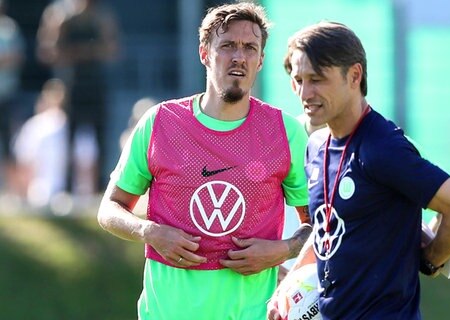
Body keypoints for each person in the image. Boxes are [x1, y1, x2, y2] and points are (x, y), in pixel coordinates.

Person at [97, 3, 311, 319]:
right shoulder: (160, 122)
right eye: (227, 46)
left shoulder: (286, 132)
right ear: (204, 54)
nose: (239, 56)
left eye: (250, 48)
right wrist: (149, 231)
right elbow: (109, 209)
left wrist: (284, 250)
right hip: (166, 312)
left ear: (261, 60)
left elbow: (323, 224)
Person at [268, 22, 450, 320]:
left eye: (317, 79)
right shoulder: (317, 146)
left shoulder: (383, 148)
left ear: (354, 75)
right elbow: (326, 229)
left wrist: (431, 259)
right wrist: (287, 288)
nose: (305, 92)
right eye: (298, 80)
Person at [38, 0, 119, 196]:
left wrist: (84, 51)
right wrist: (81, 51)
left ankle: (100, 188)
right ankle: (66, 188)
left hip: (95, 85)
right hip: (73, 84)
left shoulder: (101, 17)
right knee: (70, 136)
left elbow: (112, 49)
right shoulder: (60, 16)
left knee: (100, 136)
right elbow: (48, 51)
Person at [13, 78, 68, 209]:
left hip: (62, 191)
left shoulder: (66, 124)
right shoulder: (34, 125)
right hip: (39, 191)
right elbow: (24, 160)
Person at [0, 0, 24, 195]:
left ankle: (11, 189)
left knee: (9, 143)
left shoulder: (9, 29)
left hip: (6, 94)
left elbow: (15, 57)